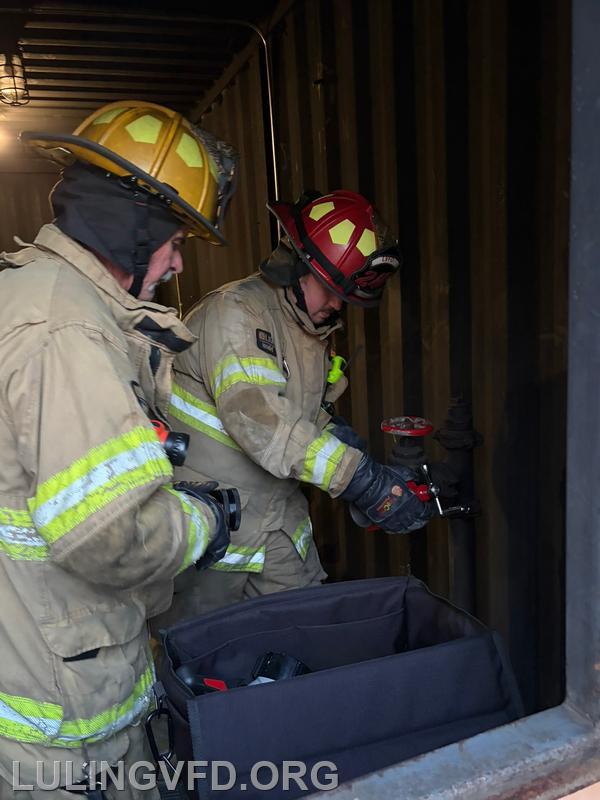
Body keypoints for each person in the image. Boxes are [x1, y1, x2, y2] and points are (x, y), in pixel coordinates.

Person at [0, 101, 239, 799]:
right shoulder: (66, 329)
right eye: (175, 239)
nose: (177, 261)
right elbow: (109, 534)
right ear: (129, 226)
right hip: (64, 731)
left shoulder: (28, 293)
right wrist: (203, 520)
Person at [159, 189, 434, 622]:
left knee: (308, 637)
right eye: (330, 290)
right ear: (295, 267)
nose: (337, 305)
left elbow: (302, 415)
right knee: (207, 651)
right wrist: (359, 479)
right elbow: (263, 421)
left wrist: (344, 443)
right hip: (214, 532)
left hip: (278, 526)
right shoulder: (238, 314)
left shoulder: (308, 329)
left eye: (345, 295)